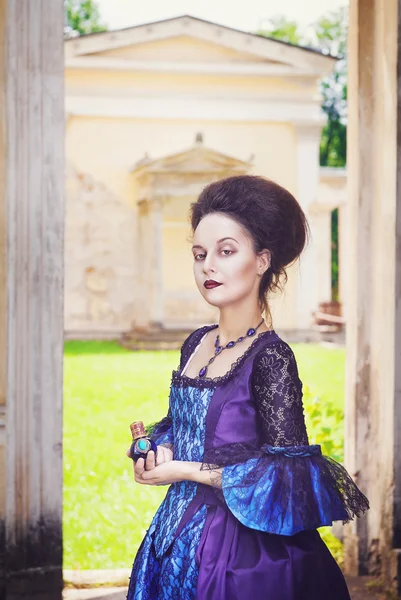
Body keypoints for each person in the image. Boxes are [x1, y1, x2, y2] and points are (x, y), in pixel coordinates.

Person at [126, 175, 369, 600]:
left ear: (261, 261)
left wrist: (182, 470)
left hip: (243, 555)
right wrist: (157, 448)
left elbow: (288, 473)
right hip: (175, 535)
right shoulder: (196, 343)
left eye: (226, 251)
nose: (208, 266)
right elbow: (186, 426)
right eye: (200, 254)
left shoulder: (270, 358)